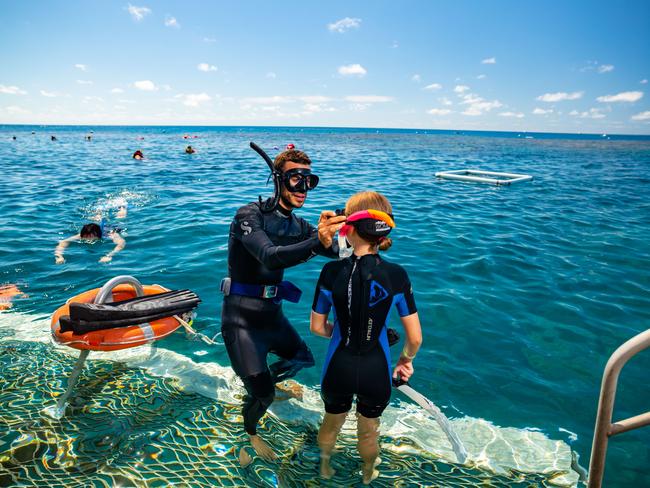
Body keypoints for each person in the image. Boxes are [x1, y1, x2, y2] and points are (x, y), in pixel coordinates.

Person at [221, 146, 346, 461]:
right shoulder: (249, 216)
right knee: (262, 395)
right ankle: (250, 430)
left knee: (302, 358)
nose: (303, 188)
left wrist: (354, 233)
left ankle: (260, 383)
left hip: (272, 317)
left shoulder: (299, 226)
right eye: (295, 179)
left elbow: (339, 252)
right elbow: (269, 256)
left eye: (309, 181)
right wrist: (318, 239)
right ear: (278, 179)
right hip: (241, 320)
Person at [310, 191, 422, 484]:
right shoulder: (397, 274)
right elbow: (415, 338)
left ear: (350, 226)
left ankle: (324, 465)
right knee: (369, 427)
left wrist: (345, 331)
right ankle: (369, 471)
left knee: (332, 421)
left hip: (338, 367)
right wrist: (404, 362)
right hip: (376, 370)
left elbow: (318, 328)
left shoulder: (330, 270)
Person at [55, 206, 127, 264]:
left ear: (97, 235)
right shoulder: (82, 235)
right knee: (97, 219)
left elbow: (121, 243)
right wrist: (59, 256)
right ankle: (99, 212)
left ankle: (122, 208)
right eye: (86, 237)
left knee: (120, 219)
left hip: (111, 228)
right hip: (98, 228)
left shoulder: (111, 234)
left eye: (91, 237)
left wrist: (109, 255)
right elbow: (64, 242)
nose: (88, 239)